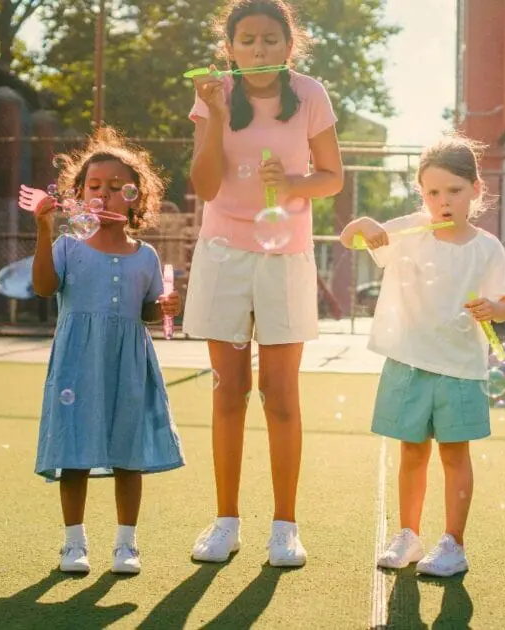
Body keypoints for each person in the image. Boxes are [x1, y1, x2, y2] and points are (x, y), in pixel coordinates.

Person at [181, 0, 344, 567]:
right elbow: (203, 186)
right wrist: (215, 117)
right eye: (246, 40)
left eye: (270, 39)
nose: (258, 49)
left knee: (280, 395)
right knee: (229, 391)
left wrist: (295, 181)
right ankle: (226, 522)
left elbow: (332, 178)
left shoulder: (311, 94)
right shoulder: (214, 96)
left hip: (285, 254)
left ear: (288, 44)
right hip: (224, 253)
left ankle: (285, 526)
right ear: (229, 47)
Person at [340, 133, 505, 576]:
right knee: (411, 452)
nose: (443, 201)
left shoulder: (487, 247)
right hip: (409, 363)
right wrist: (363, 224)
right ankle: (408, 535)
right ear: (422, 195)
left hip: (461, 368)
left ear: (476, 190)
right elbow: (351, 240)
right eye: (433, 192)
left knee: (455, 455)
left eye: (454, 191)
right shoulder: (407, 232)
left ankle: (454, 544)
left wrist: (493, 308)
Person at [31, 125, 185, 576]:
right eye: (94, 186)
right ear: (77, 196)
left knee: (126, 454)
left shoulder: (146, 256)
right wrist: (43, 229)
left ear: (136, 198)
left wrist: (168, 306)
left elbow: (149, 312)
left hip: (128, 365)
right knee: (74, 451)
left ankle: (125, 545)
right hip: (78, 364)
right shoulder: (67, 247)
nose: (105, 195)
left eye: (118, 188)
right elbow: (43, 288)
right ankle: (73, 544)